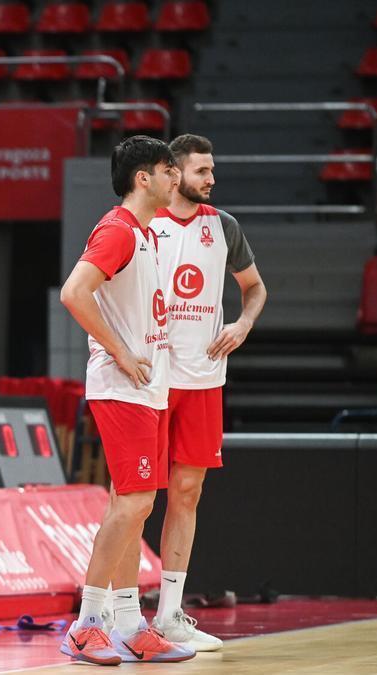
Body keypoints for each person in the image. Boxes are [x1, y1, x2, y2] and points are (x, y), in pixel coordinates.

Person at [56, 135, 193, 666]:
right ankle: (88, 625)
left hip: (149, 388)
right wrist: (118, 351)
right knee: (133, 504)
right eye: (168, 170)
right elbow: (74, 292)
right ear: (144, 178)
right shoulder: (118, 230)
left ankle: (131, 624)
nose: (175, 179)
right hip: (123, 389)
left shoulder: (147, 233)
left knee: (133, 505)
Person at [146, 133, 266, 651]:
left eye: (212, 170)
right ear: (173, 174)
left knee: (187, 493)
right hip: (149, 379)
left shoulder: (224, 226)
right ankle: (114, 610)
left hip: (203, 379)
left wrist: (243, 324)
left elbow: (256, 287)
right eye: (201, 171)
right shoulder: (141, 222)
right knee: (133, 498)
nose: (211, 179)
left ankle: (170, 613)